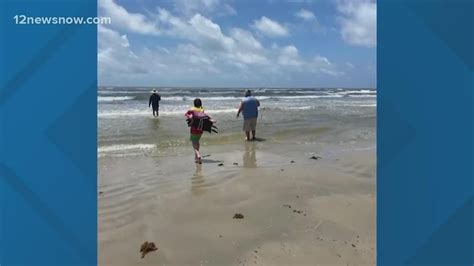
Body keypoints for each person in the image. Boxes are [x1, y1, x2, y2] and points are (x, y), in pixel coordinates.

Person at [185, 98, 214, 164]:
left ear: (194, 103)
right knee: (197, 141)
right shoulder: (202, 109)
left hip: (194, 128)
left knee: (193, 142)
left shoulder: (192, 109)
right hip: (200, 129)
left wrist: (189, 117)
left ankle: (198, 154)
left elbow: (186, 114)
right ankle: (196, 158)